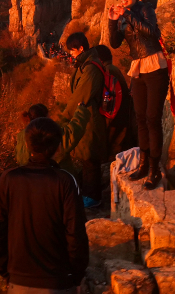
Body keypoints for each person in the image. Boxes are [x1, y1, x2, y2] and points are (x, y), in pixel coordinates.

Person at [0, 117, 89, 294]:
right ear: (56, 148)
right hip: (59, 287)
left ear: (27, 145)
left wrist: (6, 273)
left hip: (19, 286)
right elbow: (76, 234)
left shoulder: (8, 179)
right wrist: (77, 275)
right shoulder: (65, 181)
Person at [106, 0, 168, 189]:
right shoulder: (123, 16)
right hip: (138, 68)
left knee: (153, 118)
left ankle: (154, 169)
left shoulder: (145, 9)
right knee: (140, 118)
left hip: (155, 64)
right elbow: (114, 43)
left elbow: (152, 33)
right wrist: (113, 21)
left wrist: (127, 14)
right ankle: (143, 164)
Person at [61, 33, 107, 208]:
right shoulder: (86, 64)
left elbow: (80, 95)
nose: (71, 54)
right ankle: (89, 194)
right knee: (87, 157)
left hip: (89, 117)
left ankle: (93, 197)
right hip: (85, 115)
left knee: (90, 157)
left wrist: (63, 118)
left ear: (81, 49)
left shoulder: (91, 69)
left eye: (72, 50)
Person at [13, 104, 92, 175]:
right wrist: (81, 111)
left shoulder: (21, 136)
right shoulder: (47, 132)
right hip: (56, 178)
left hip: (30, 181)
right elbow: (72, 133)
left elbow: (20, 160)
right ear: (46, 117)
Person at [93, 45, 137, 160]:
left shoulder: (108, 72)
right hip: (122, 119)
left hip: (115, 122)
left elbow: (110, 101)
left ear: (100, 59)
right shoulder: (113, 69)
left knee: (115, 153)